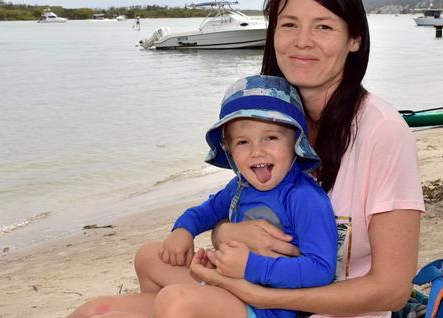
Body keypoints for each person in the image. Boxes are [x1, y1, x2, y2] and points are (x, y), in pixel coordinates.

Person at [190, 0, 425, 318]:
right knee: (105, 306)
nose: (302, 41)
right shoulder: (269, 115)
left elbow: (392, 290)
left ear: (354, 39)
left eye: (324, 26)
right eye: (289, 25)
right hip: (254, 295)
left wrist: (267, 296)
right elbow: (244, 205)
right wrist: (224, 233)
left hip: (331, 309)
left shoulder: (382, 131)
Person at [71, 75, 339, 318]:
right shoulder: (240, 187)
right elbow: (206, 211)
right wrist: (184, 230)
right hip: (226, 285)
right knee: (145, 259)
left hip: (267, 308)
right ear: (230, 150)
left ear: (296, 143)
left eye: (270, 138)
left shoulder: (304, 198)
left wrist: (250, 266)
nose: (257, 151)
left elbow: (320, 270)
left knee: (175, 300)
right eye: (243, 142)